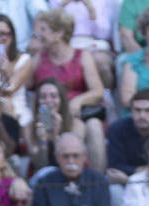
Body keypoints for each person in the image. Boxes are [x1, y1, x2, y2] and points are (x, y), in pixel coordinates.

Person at [29, 9, 104, 168]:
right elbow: (26, 85)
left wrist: (78, 101)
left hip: (73, 113)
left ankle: (94, 179)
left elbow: (98, 91)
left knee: (92, 126)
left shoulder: (82, 56)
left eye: (43, 30)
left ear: (59, 33)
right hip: (47, 113)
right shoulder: (38, 58)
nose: (38, 34)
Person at [105, 89, 149, 185]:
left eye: (148, 110)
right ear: (131, 111)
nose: (142, 115)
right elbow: (115, 167)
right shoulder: (117, 129)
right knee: (114, 190)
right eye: (137, 110)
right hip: (125, 181)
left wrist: (138, 173)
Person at [31, 132, 110, 206]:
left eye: (76, 156)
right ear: (57, 157)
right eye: (65, 156)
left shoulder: (99, 182)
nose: (71, 161)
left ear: (84, 157)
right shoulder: (44, 184)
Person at [25, 78, 83, 173]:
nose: (48, 101)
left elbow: (72, 161)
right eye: (43, 97)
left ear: (61, 100)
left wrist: (56, 137)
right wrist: (42, 142)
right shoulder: (28, 127)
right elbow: (40, 165)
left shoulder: (76, 124)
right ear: (37, 102)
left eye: (53, 96)